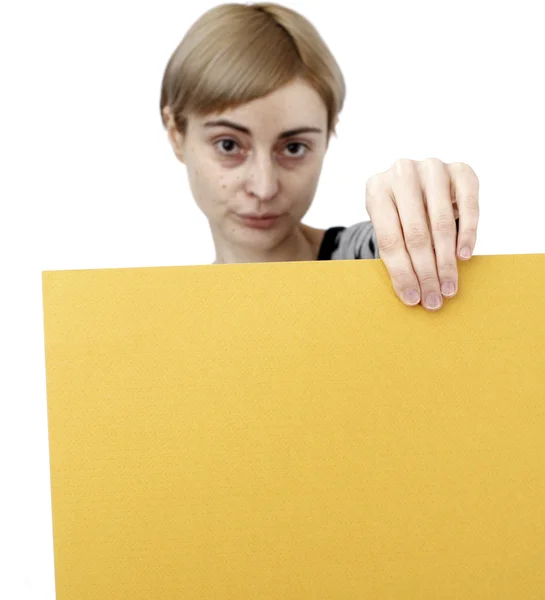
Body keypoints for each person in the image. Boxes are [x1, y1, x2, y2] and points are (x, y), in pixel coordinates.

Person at [160, 2, 479, 312]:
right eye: (228, 145)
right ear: (176, 134)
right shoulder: (165, 316)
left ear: (327, 136)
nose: (264, 188)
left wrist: (424, 211)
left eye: (293, 147)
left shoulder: (356, 259)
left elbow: (389, 251)